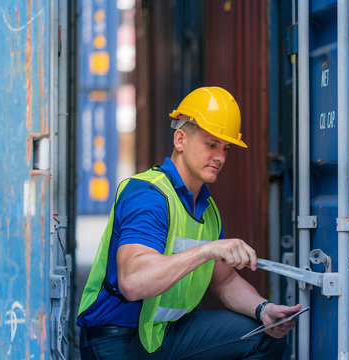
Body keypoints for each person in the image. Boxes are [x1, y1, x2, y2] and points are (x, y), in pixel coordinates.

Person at [77, 86, 301, 359]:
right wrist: (207, 251)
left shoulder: (207, 210)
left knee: (263, 336)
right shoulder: (148, 195)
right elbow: (133, 283)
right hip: (117, 337)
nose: (220, 157)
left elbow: (225, 281)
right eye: (211, 144)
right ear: (180, 140)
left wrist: (263, 309)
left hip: (166, 334)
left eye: (225, 148)